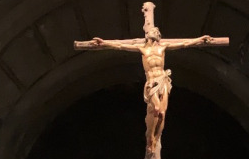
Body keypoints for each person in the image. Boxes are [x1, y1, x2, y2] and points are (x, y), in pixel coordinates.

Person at [90, 21, 213, 151]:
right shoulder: (143, 49)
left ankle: (157, 136)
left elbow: (184, 44)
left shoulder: (163, 47)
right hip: (152, 81)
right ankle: (150, 137)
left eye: (154, 32)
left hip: (163, 80)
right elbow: (120, 46)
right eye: (150, 32)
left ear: (158, 35)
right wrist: (104, 43)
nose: (152, 33)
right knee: (156, 108)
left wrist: (200, 39)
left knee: (162, 114)